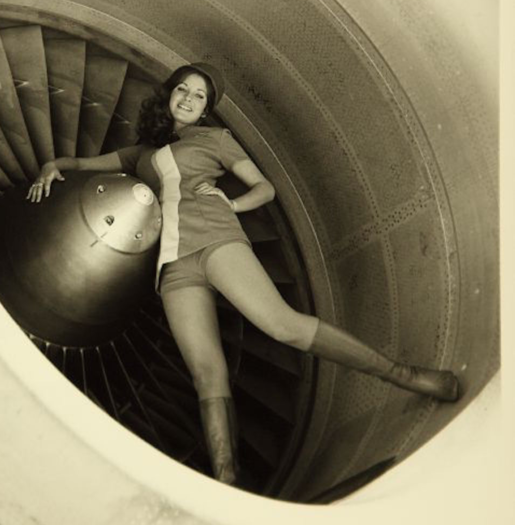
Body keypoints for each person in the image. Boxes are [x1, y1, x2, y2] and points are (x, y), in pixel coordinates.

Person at [26, 62, 460, 486]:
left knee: (282, 326)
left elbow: (265, 188)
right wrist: (53, 167)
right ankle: (228, 479)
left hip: (217, 242)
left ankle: (405, 376)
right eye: (183, 89)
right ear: (169, 93)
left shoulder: (215, 139)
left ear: (206, 109)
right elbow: (82, 165)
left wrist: (232, 205)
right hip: (174, 267)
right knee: (207, 373)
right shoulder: (141, 154)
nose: (190, 99)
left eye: (200, 96)